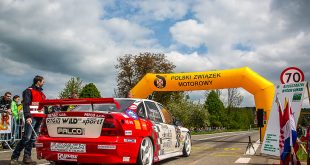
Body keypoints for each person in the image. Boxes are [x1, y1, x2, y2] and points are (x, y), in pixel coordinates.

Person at [10, 75, 46, 165]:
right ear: (38, 82)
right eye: (43, 81)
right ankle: (14, 157)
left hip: (39, 117)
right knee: (26, 138)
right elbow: (26, 104)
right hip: (32, 117)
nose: (44, 83)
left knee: (32, 139)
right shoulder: (28, 91)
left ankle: (27, 157)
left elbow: (43, 106)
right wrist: (28, 116)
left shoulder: (42, 93)